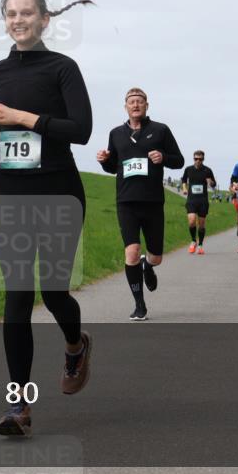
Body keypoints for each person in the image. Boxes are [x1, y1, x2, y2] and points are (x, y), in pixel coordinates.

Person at [0, 0, 94, 436]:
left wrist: (26, 118)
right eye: (11, 14)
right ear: (5, 21)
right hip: (10, 195)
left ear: (44, 19)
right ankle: (19, 405)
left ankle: (76, 345)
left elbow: (81, 130)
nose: (18, 20)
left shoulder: (62, 68)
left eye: (27, 13)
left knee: (53, 293)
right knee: (17, 296)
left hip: (59, 193)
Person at [98, 89, 184, 318]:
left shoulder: (160, 130)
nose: (135, 105)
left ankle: (148, 265)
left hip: (153, 201)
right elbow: (113, 166)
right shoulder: (116, 134)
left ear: (147, 105)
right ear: (125, 106)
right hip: (126, 201)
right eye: (131, 102)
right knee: (132, 251)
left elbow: (179, 161)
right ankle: (139, 305)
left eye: (139, 101)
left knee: (156, 257)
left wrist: (163, 157)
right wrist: (104, 160)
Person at [180, 150, 216, 255]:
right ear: (193, 159)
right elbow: (184, 180)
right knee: (191, 221)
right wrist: (184, 188)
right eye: (196, 159)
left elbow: (214, 184)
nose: (198, 161)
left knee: (201, 224)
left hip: (203, 201)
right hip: (191, 200)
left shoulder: (207, 170)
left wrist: (210, 182)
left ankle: (200, 245)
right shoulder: (188, 169)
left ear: (203, 159)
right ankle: (193, 241)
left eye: (200, 159)